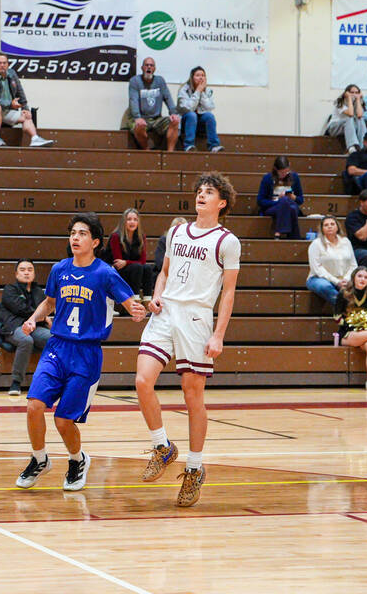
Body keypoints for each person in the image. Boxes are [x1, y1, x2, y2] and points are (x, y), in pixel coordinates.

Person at [14, 213, 146, 491]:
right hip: (57, 347)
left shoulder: (105, 273)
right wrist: (33, 319)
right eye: (73, 233)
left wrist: (135, 309)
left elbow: (128, 301)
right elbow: (49, 303)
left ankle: (77, 460)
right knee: (34, 405)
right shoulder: (59, 269)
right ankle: (39, 459)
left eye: (82, 233)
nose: (75, 237)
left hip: (86, 353)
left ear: (95, 242)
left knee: (63, 420)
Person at [134, 173, 240, 507]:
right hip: (166, 312)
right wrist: (156, 295)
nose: (201, 195)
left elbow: (229, 292)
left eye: (209, 192)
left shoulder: (227, 241)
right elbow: (164, 272)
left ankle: (194, 467)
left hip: (196, 318)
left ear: (222, 203)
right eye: (199, 191)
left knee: (192, 395)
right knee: (142, 381)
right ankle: (163, 446)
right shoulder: (177, 231)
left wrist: (219, 334)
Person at [0, 52, 53, 148]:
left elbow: (20, 92)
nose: (2, 65)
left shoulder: (12, 74)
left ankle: (35, 139)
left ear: (8, 64)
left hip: (6, 110)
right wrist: (10, 104)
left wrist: (25, 108)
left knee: (26, 115)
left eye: (4, 63)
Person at [0, 259, 49, 397]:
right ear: (16, 274)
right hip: (14, 327)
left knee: (53, 339)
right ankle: (16, 382)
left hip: (35, 327)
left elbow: (44, 309)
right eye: (22, 270)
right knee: (26, 340)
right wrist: (43, 317)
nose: (26, 273)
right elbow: (20, 308)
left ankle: (52, 379)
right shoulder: (9, 289)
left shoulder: (38, 291)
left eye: (30, 269)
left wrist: (43, 318)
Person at [127, 56, 180, 151]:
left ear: (154, 69)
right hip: (140, 118)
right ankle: (147, 150)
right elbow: (133, 100)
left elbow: (168, 98)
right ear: (142, 68)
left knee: (175, 121)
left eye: (151, 65)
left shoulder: (160, 81)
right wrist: (137, 117)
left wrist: (173, 113)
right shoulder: (134, 81)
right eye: (146, 65)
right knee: (139, 125)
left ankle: (170, 153)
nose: (149, 67)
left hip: (157, 119)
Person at [306, 215, 357, 307]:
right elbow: (317, 269)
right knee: (324, 286)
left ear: (337, 227)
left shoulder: (346, 242)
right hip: (320, 278)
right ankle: (345, 308)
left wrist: (346, 279)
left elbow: (353, 265)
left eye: (332, 224)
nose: (329, 226)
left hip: (345, 279)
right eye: (326, 225)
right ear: (322, 229)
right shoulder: (316, 244)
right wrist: (337, 282)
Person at [107, 208, 154, 298]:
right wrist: (129, 263)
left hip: (133, 269)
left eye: (135, 219)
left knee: (147, 268)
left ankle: (147, 299)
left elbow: (143, 261)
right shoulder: (116, 236)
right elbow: (118, 263)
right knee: (137, 267)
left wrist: (126, 262)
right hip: (116, 271)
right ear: (124, 222)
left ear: (138, 222)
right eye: (129, 219)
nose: (132, 222)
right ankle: (134, 297)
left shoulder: (141, 236)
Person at [257, 155, 304, 239]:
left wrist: (293, 197)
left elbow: (300, 200)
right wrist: (278, 201)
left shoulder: (295, 177)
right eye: (281, 172)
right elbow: (260, 201)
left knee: (289, 205)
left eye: (287, 172)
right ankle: (294, 237)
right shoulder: (267, 178)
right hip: (273, 207)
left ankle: (278, 232)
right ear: (276, 169)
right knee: (286, 203)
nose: (284, 174)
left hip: (291, 205)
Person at [176, 66, 222, 152]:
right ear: (192, 78)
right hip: (186, 122)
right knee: (192, 115)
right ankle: (189, 145)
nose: (201, 78)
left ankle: (214, 146)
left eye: (203, 75)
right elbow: (189, 108)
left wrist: (202, 92)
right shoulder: (183, 89)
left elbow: (210, 107)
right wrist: (197, 92)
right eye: (197, 75)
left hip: (200, 123)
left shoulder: (208, 90)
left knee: (209, 116)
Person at [326, 83, 366, 152]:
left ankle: (363, 146)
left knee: (360, 120)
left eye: (356, 93)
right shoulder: (340, 102)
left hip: (349, 127)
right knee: (349, 118)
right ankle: (352, 146)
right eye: (352, 92)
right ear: (346, 93)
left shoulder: (358, 102)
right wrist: (349, 98)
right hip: (334, 128)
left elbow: (359, 115)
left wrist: (358, 100)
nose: (354, 95)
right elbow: (350, 113)